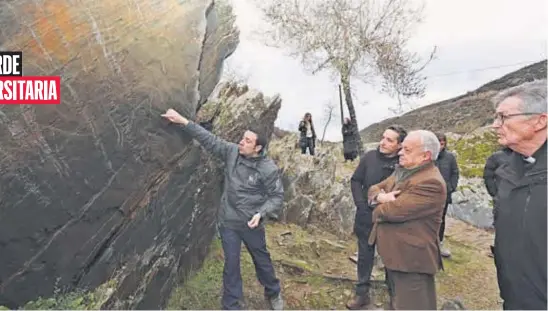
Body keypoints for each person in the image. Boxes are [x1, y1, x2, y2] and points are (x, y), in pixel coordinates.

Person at [161, 108, 285, 310]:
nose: (241, 142)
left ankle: (273, 292)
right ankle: (231, 305)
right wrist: (183, 121)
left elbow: (277, 197)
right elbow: (208, 139)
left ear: (258, 148)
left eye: (247, 141)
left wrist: (261, 213)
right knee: (231, 265)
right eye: (242, 138)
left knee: (262, 262)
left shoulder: (267, 169)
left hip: (252, 224)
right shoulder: (231, 152)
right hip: (229, 221)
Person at [367, 130, 446, 310]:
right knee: (397, 302)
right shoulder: (404, 172)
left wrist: (377, 206)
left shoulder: (430, 182)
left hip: (411, 261)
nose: (400, 152)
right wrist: (381, 197)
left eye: (407, 150)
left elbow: (389, 212)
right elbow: (374, 188)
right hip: (396, 255)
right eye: (402, 148)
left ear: (425, 156)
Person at [490, 79, 547, 310]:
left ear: (540, 120)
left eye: (503, 117)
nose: (495, 125)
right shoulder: (507, 172)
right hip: (514, 297)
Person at [346, 125, 407, 310]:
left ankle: (395, 296)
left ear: (399, 145)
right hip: (366, 216)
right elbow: (356, 180)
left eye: (389, 140)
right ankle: (362, 293)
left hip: (391, 220)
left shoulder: (404, 162)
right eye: (383, 137)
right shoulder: (369, 157)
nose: (383, 142)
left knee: (392, 258)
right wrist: (361, 204)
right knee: (365, 256)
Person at [434, 133, 459, 258]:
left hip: (444, 195)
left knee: (441, 219)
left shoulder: (450, 157)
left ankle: (439, 243)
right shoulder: (428, 156)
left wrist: (450, 187)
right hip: (429, 194)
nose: (440, 146)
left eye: (442, 143)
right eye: (437, 143)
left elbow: (455, 172)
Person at [483, 147, 512, 223]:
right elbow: (488, 176)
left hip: (522, 198)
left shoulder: (525, 156)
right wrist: (494, 193)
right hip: (501, 198)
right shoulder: (496, 157)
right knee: (501, 223)